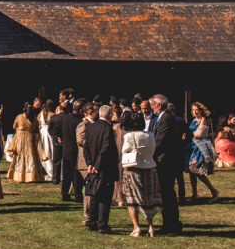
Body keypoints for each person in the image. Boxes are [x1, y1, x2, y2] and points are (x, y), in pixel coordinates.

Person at [119, 109, 159, 237]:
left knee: (132, 198)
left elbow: (124, 150)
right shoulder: (150, 135)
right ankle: (150, 226)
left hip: (134, 168)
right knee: (148, 198)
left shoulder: (129, 136)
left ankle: (136, 227)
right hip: (150, 167)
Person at [83, 104, 119, 233]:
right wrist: (97, 165)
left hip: (93, 165)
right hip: (104, 167)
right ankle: (102, 224)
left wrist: (90, 164)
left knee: (94, 194)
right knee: (104, 196)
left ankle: (92, 221)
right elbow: (105, 148)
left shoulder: (90, 127)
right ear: (110, 115)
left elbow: (86, 147)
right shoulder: (107, 128)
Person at [150, 94, 182, 235]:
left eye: (153, 105)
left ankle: (172, 224)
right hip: (164, 160)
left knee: (167, 193)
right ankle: (168, 223)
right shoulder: (162, 118)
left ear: (160, 105)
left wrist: (150, 154)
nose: (151, 107)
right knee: (165, 194)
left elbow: (160, 142)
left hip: (166, 162)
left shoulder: (166, 119)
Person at [6, 102, 45, 183]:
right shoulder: (34, 118)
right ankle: (32, 176)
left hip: (20, 140)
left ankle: (20, 176)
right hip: (30, 140)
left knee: (20, 157)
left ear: (24, 109)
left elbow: (14, 126)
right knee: (31, 156)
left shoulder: (19, 117)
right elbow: (37, 131)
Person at [187, 103, 219, 201]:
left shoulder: (203, 120)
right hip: (193, 147)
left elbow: (199, 134)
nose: (195, 112)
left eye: (197, 110)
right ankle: (194, 194)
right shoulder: (193, 121)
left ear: (201, 110)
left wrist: (187, 133)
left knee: (198, 172)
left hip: (200, 147)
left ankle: (214, 190)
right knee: (191, 172)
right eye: (193, 110)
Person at [55, 98, 84, 203]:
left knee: (66, 173)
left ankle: (64, 193)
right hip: (75, 150)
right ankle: (77, 194)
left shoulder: (66, 119)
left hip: (66, 148)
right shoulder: (79, 122)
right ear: (80, 110)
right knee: (76, 174)